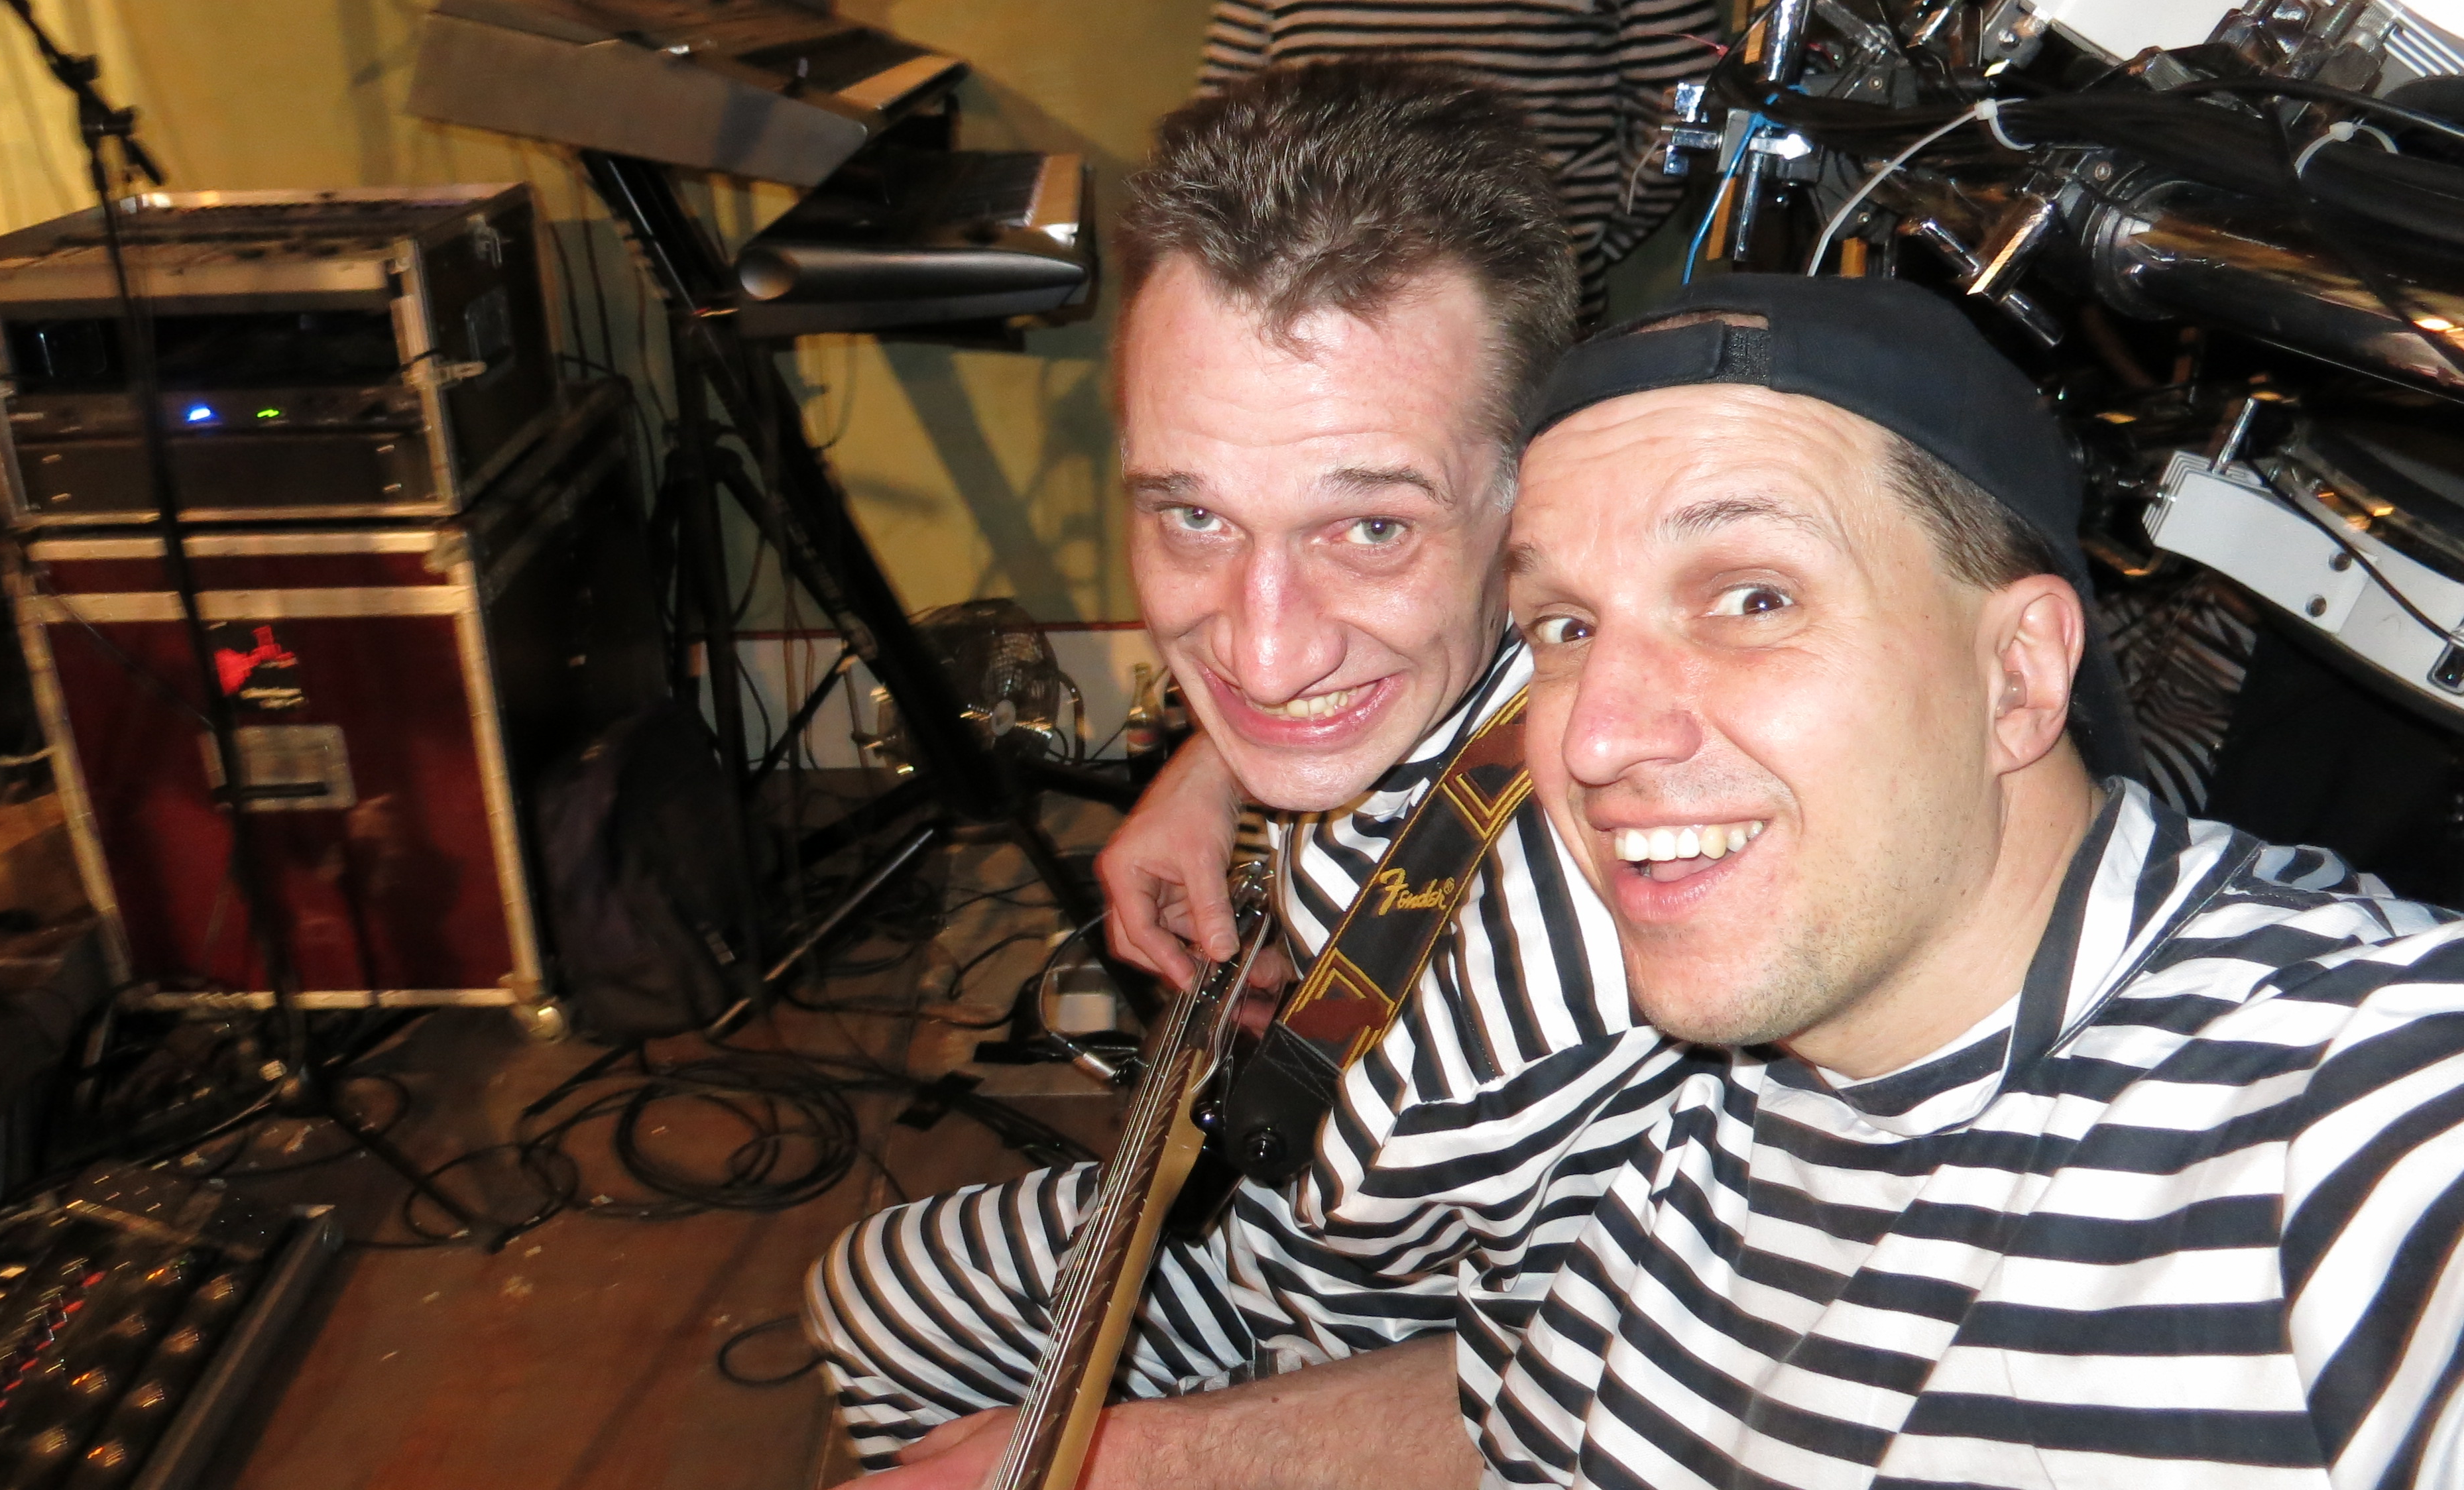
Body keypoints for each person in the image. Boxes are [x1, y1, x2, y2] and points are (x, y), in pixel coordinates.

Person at [805, 61, 1691, 1488]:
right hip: (1293, 1210)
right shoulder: (1469, 661)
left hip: (1437, 1361)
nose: (1264, 656)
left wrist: (1135, 1457)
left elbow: (1607, 1392)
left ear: (1534, 491)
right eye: (1194, 515)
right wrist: (1211, 776)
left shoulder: (1608, 961)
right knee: (881, 1292)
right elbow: (1278, 694)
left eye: (1370, 528)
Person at [1491, 272, 2464, 1485]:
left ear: (2019, 673)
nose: (1595, 739)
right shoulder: (1691, 1123)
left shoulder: (2371, 1098)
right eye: (1564, 628)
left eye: (1753, 599)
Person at [1198, 0, 1720, 325]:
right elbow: (1223, 129)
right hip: (1305, 301)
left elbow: (1688, 109)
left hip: (1523, 306)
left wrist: (1582, 243)